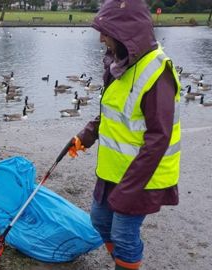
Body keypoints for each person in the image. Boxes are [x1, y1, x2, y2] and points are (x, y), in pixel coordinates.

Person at [67, 1, 181, 269]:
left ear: (124, 32)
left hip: (145, 174)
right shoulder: (119, 64)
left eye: (105, 31)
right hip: (114, 170)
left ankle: (124, 262)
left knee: (124, 234)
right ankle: (123, 261)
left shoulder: (156, 73)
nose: (100, 38)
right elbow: (115, 111)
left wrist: (129, 189)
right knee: (99, 220)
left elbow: (159, 137)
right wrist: (87, 134)